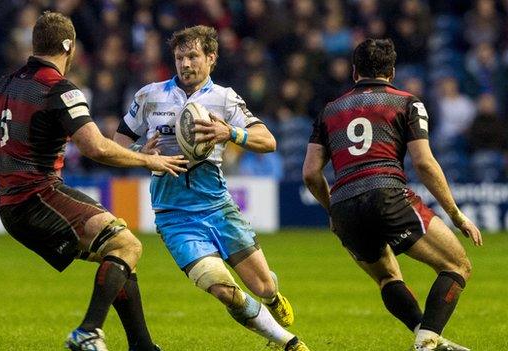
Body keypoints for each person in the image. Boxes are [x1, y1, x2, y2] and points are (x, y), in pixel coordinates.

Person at [0, 11, 189, 351]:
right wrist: (147, 159)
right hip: (40, 195)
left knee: (117, 256)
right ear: (70, 47)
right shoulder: (60, 90)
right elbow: (94, 147)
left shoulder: (3, 86)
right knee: (128, 246)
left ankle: (142, 346)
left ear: (34, 45)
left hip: (12, 207)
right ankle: (88, 332)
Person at [114, 25, 309, 351]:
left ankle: (272, 298)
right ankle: (287, 342)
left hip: (219, 208)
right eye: (179, 57)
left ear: (211, 58)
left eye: (192, 56)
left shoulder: (225, 99)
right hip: (174, 216)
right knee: (223, 290)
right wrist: (139, 156)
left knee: (261, 285)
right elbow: (116, 145)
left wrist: (230, 133)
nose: (185, 64)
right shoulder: (149, 96)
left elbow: (268, 141)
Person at [302, 38, 483, 351]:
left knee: (387, 278)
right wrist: (456, 214)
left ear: (354, 71)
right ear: (392, 71)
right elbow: (424, 163)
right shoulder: (407, 102)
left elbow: (310, 172)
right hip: (386, 192)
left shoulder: (329, 111)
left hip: (344, 205)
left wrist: (332, 209)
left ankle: (425, 336)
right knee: (457, 265)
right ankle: (428, 340)